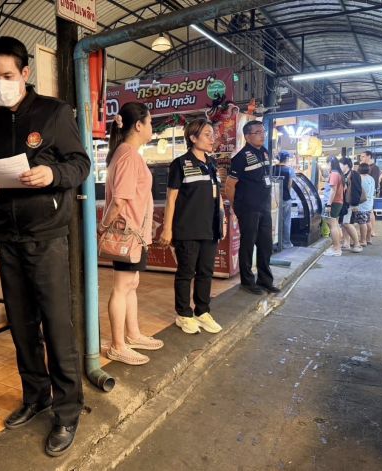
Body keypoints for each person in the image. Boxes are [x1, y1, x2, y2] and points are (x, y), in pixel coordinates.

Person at [0, 36, 89, 457]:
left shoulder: (54, 113)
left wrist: (52, 175)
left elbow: (80, 164)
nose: (0, 84)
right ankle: (35, 396)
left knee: (56, 325)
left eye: (7, 75)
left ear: (25, 72)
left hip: (47, 235)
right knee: (22, 325)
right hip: (8, 234)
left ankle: (68, 410)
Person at [98, 102, 163, 366]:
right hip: (127, 234)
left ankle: (133, 335)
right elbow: (119, 200)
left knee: (131, 284)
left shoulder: (128, 153)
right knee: (122, 286)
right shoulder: (127, 155)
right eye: (150, 122)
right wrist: (103, 227)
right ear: (138, 125)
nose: (151, 127)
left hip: (135, 234)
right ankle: (117, 346)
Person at [160, 118, 224, 335]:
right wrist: (167, 228)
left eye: (212, 134)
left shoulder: (212, 163)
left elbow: (217, 195)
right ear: (193, 138)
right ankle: (184, 314)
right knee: (186, 272)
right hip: (187, 228)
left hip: (210, 228)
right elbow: (171, 199)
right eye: (207, 134)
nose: (212, 138)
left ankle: (202, 311)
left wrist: (222, 219)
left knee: (206, 272)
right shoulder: (180, 164)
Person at [224, 120, 280, 295]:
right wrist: (236, 207)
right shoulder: (240, 158)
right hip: (248, 208)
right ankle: (247, 282)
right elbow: (229, 186)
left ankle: (265, 281)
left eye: (263, 132)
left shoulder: (264, 152)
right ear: (247, 136)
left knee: (265, 245)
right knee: (248, 245)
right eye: (258, 132)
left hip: (264, 207)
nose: (262, 135)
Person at [339, 157, 362, 253]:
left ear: (346, 165)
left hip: (350, 203)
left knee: (347, 223)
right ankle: (346, 243)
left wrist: (355, 204)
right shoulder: (344, 175)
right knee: (343, 223)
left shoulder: (354, 175)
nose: (339, 167)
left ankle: (357, 244)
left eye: (340, 165)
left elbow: (357, 190)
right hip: (344, 203)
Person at [322, 157, 344, 257]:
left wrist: (328, 204)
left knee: (332, 225)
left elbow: (333, 190)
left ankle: (336, 249)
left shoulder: (334, 174)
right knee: (334, 224)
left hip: (333, 202)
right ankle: (337, 246)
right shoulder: (339, 174)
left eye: (327, 164)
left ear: (330, 163)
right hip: (337, 202)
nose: (327, 166)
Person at [273, 151, 295, 249]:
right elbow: (289, 185)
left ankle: (274, 242)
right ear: (286, 159)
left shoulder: (272, 168)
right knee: (286, 221)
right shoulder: (289, 170)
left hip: (274, 199)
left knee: (274, 220)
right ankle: (286, 243)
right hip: (285, 198)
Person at [360, 151, 380, 236]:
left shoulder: (374, 168)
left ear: (369, 156)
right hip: (365, 195)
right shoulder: (366, 166)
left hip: (369, 195)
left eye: (363, 156)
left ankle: (372, 231)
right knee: (367, 215)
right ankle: (368, 234)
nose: (361, 158)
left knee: (370, 213)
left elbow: (374, 182)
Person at [355, 163, 375, 246]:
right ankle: (368, 239)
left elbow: (358, 192)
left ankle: (363, 241)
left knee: (362, 223)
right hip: (369, 203)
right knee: (368, 221)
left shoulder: (360, 178)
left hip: (361, 204)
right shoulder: (371, 178)